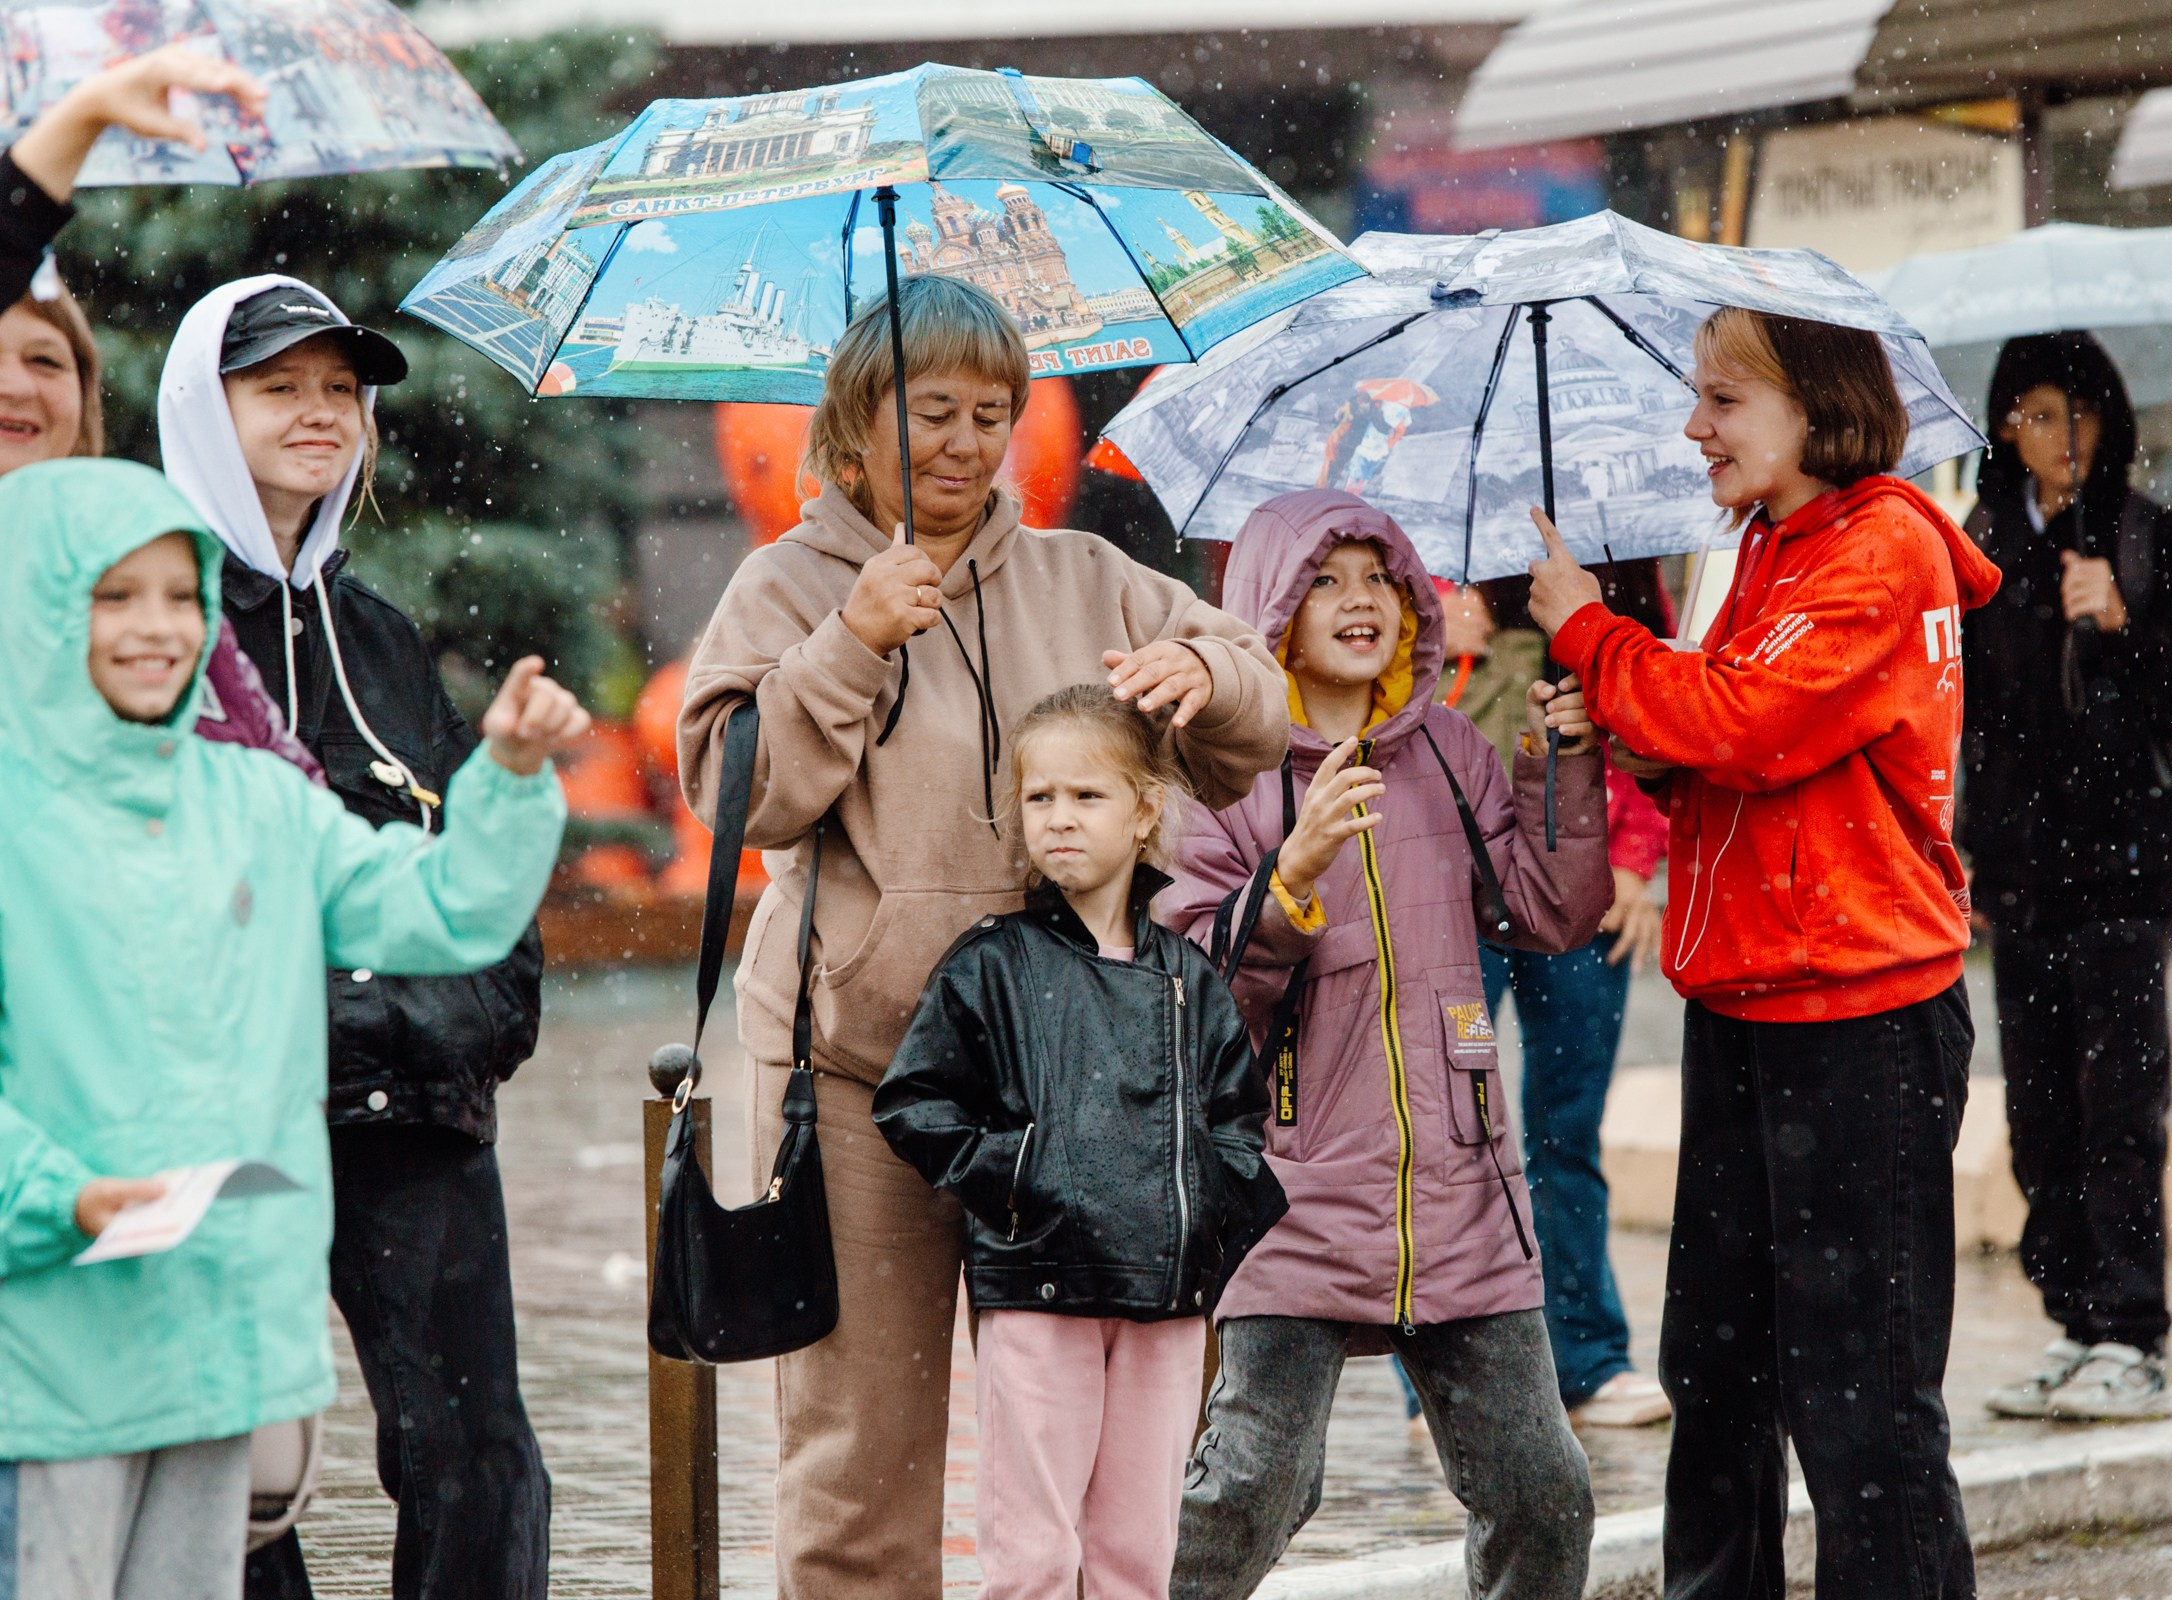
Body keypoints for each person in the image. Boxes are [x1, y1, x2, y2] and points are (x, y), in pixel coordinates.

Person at [676, 275, 1287, 1600]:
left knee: (1089, 1474)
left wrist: (1213, 679)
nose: (962, 442)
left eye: (988, 414)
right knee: (863, 1463)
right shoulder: (788, 584)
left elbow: (1254, 716)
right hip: (861, 1083)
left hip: (1083, 1105)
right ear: (855, 428)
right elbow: (739, 791)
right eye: (930, 412)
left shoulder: (1082, 575)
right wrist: (848, 642)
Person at [0, 457, 581, 1600]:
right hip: (56, 1344)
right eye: (114, 596)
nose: (156, 627)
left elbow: (438, 906)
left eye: (180, 594)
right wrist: (55, 1196)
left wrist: (507, 779)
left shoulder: (257, 802)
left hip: (221, 1331)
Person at [1529, 307, 1999, 1598]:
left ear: (1817, 404)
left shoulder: (1884, 543)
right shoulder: (1763, 546)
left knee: (1862, 1400)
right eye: (1699, 397)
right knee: (1717, 1369)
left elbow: (1746, 720)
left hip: (1857, 1016)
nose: (1697, 427)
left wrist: (1590, 634)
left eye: (1725, 399)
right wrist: (1622, 723)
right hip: (1748, 997)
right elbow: (1715, 753)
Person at [153, 277, 554, 1600]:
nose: (321, 412)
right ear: (203, 414)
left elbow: (468, 854)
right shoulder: (153, 619)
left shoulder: (378, 631)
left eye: (340, 388)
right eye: (279, 387)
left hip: (413, 1107)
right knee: (229, 1472)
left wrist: (475, 1024)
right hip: (229, 1120)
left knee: (478, 1461)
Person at [1158, 489, 1610, 1600]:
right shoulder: (1225, 777)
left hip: (1461, 1192)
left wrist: (1561, 770)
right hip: (1292, 1190)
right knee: (1251, 1487)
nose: (1360, 600)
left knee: (1544, 1493)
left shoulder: (1450, 750)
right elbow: (1197, 1002)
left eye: (1378, 576)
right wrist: (1288, 883)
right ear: (1270, 610)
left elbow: (1548, 915)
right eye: (1325, 579)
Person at [875, 684, 1283, 1600]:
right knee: (1033, 1556)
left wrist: (1201, 1216)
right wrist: (1026, 1177)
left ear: (1144, 814)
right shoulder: (992, 962)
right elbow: (915, 1102)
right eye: (1040, 797)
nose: (1059, 818)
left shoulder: (1187, 975)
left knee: (1138, 1554)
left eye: (1087, 796)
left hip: (1165, 1302)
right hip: (1039, 1287)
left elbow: (1238, 1120)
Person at [1959, 333, 2172, 1424]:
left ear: (2107, 422)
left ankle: (2135, 1333)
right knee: (2037, 1109)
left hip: (2125, 870)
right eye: (2032, 416)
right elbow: (1964, 711)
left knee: (2120, 1101)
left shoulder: (2145, 537)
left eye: (2075, 415)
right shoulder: (1978, 546)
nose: (2058, 439)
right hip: (2023, 876)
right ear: (2006, 429)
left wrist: (2121, 627)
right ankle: (2075, 1322)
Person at [0, 47, 314, 779]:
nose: (14, 386)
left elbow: (278, 790)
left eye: (46, 361)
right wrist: (77, 122)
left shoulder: (147, 549)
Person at [1406, 575, 1673, 1434]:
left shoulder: (1611, 558)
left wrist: (1634, 856)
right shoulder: (1419, 535)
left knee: (1567, 1129)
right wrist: (1428, 634)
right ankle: (1440, 1376)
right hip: (1451, 886)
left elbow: (1645, 700)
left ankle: (1589, 1360)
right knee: (1451, 1127)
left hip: (1580, 885)